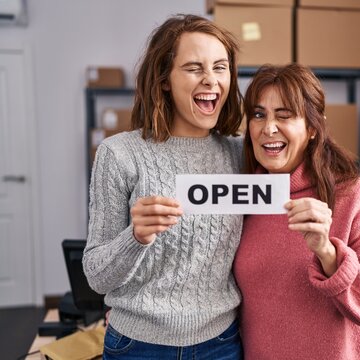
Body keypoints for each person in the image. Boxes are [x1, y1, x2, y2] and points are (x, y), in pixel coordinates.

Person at [83, 14, 245, 359]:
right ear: (165, 79)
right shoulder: (119, 154)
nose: (211, 80)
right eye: (193, 68)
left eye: (220, 67)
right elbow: (97, 277)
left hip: (220, 344)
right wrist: (135, 237)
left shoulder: (240, 153)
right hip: (137, 347)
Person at [233, 63, 360, 359]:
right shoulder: (242, 197)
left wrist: (328, 254)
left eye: (284, 115)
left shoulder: (353, 195)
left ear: (313, 128)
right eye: (258, 114)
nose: (268, 128)